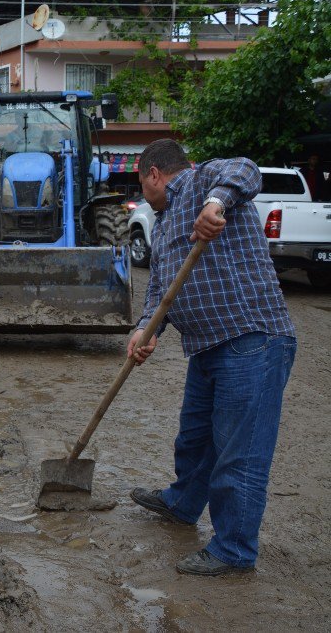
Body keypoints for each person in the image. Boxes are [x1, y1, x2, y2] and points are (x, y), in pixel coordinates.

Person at [127, 138, 296, 577]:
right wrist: (144, 330)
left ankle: (233, 550)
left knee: (239, 454)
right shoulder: (163, 224)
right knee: (195, 440)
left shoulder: (202, 181)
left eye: (141, 182)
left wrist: (215, 204)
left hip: (252, 341)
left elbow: (246, 167)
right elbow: (161, 291)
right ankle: (182, 504)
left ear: (153, 174)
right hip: (206, 346)